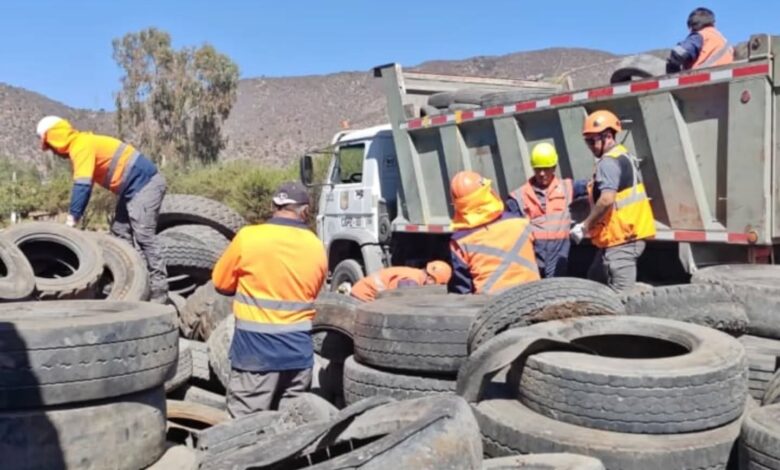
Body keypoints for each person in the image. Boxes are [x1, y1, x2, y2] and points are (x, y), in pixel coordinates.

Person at [212, 182, 327, 417]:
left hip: (255, 353)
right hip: (298, 354)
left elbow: (221, 283)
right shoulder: (316, 246)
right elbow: (314, 293)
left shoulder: (248, 237)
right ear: (305, 210)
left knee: (244, 426)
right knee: (291, 425)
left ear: (273, 206)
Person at [36, 116, 169, 303]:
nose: (53, 151)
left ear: (56, 138)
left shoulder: (81, 146)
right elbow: (85, 184)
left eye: (50, 145)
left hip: (146, 184)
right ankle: (130, 278)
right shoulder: (82, 144)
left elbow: (82, 186)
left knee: (144, 235)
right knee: (120, 232)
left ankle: (159, 288)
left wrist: (72, 220)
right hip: (130, 189)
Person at [571, 110, 656, 292]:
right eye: (587, 141)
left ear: (608, 136)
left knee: (621, 295)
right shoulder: (622, 155)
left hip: (622, 239)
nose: (590, 146)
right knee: (594, 281)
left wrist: (584, 226)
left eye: (593, 141)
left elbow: (607, 199)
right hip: (619, 236)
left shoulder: (608, 162)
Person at [449, 171, 540, 294]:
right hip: (533, 296)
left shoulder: (460, 242)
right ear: (488, 191)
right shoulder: (521, 223)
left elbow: (462, 289)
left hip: (492, 303)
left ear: (457, 204)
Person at [507, 143, 588, 278]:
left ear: (554, 167)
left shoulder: (567, 187)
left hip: (559, 257)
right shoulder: (519, 196)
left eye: (546, 169)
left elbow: (595, 186)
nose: (542, 173)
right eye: (538, 169)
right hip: (534, 258)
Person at [666, 7, 733, 73]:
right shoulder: (724, 41)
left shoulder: (701, 35)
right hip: (725, 77)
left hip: (702, 77)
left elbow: (678, 53)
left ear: (692, 26)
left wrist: (672, 74)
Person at [350, 261, 452, 302]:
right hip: (364, 296)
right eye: (435, 285)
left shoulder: (416, 274)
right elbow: (401, 305)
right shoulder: (411, 282)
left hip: (367, 294)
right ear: (430, 278)